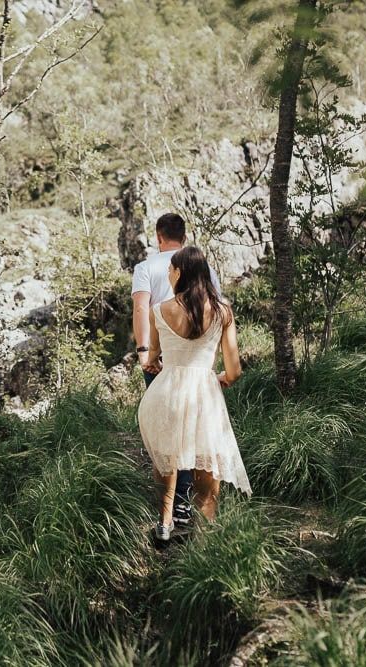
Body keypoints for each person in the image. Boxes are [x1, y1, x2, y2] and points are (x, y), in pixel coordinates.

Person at [137, 246, 251, 542]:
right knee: (206, 471)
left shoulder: (159, 311)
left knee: (166, 457)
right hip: (204, 397)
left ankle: (164, 523)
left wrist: (152, 363)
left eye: (170, 271)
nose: (168, 275)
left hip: (168, 393)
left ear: (180, 272)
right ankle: (204, 542)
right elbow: (235, 370)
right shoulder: (223, 312)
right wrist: (222, 377)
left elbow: (152, 358)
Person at [132, 213, 221, 527]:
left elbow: (142, 308)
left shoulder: (146, 268)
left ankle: (174, 507)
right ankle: (191, 505)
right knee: (195, 430)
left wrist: (145, 353)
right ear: (184, 236)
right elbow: (217, 311)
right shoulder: (204, 268)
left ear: (159, 236)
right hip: (198, 364)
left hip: (164, 361)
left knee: (167, 430)